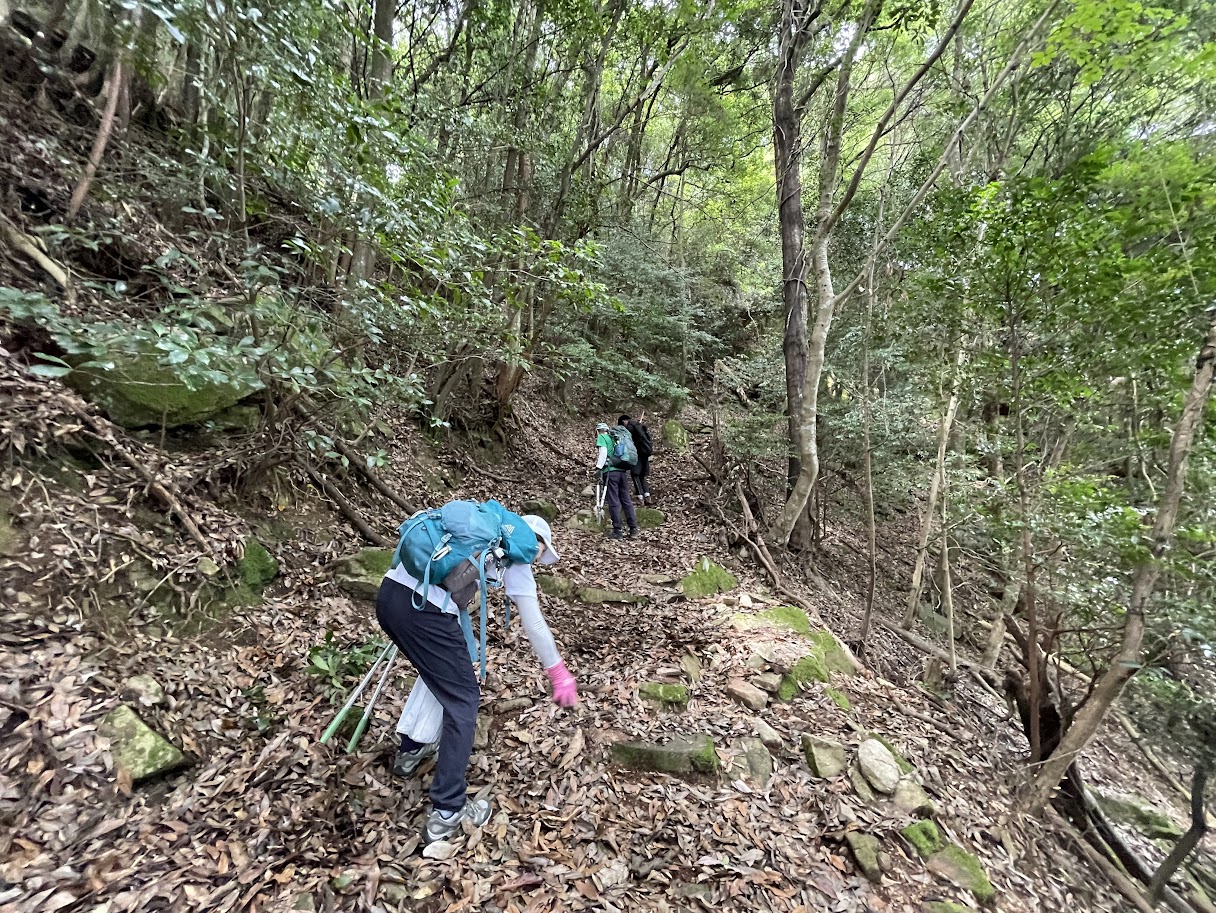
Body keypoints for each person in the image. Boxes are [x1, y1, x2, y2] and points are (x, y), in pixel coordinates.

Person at [375, 512, 577, 844]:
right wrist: (557, 670)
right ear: (534, 541)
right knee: (464, 699)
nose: (539, 559)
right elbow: (535, 625)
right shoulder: (516, 553)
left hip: (389, 596)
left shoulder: (470, 529)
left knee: (438, 674)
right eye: (542, 551)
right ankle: (447, 812)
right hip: (425, 610)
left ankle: (411, 751)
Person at [595, 421, 639, 539]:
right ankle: (633, 528)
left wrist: (598, 468)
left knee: (613, 500)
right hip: (622, 472)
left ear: (598, 431)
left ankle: (617, 530)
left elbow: (603, 453)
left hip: (610, 472)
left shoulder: (602, 437)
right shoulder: (614, 437)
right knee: (626, 500)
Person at [618, 414, 653, 504]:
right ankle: (647, 495)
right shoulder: (639, 425)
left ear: (624, 421)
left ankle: (640, 497)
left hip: (636, 454)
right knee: (642, 475)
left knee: (635, 475)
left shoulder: (630, 427)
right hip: (645, 453)